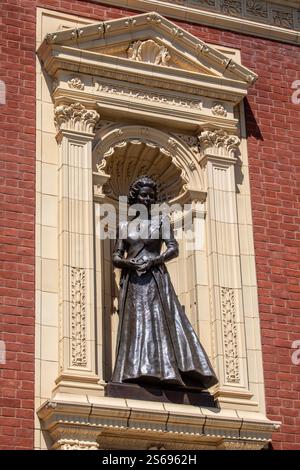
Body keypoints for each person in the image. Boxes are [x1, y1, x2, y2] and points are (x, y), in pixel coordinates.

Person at [111, 176, 218, 389]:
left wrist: (156, 259)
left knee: (158, 322)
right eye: (144, 195)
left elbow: (173, 247)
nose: (148, 199)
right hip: (134, 280)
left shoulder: (161, 221)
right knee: (136, 324)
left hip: (155, 279)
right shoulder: (124, 226)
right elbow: (116, 256)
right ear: (135, 197)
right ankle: (133, 369)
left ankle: (163, 370)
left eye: (151, 195)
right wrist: (128, 263)